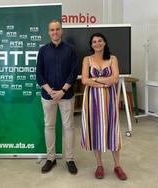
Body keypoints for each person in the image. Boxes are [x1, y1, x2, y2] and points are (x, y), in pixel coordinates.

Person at [81, 33, 127, 180]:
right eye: (94, 42)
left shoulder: (112, 58)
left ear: (105, 42)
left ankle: (117, 165)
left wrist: (95, 79)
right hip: (92, 100)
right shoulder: (87, 60)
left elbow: (115, 78)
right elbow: (84, 80)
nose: (97, 43)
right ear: (91, 45)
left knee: (113, 129)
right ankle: (99, 165)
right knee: (95, 130)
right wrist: (103, 82)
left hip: (109, 100)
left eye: (100, 41)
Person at [36, 20, 79, 174]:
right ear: (49, 32)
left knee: (68, 127)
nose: (55, 32)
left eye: (57, 29)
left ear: (61, 31)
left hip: (66, 95)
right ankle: (50, 158)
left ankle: (70, 159)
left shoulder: (71, 50)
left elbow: (74, 72)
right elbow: (38, 74)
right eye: (52, 30)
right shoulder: (43, 50)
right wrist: (49, 91)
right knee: (49, 126)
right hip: (47, 96)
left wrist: (62, 90)